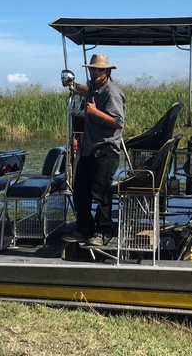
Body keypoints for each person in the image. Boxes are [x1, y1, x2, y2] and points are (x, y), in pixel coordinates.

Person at [63, 53, 126, 246]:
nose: (94, 72)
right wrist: (72, 86)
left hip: (105, 151)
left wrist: (95, 112)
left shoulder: (111, 92)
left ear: (107, 71)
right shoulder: (93, 88)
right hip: (89, 150)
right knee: (80, 191)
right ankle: (84, 229)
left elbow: (118, 122)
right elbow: (85, 89)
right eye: (91, 69)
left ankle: (103, 231)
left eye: (98, 69)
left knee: (101, 195)